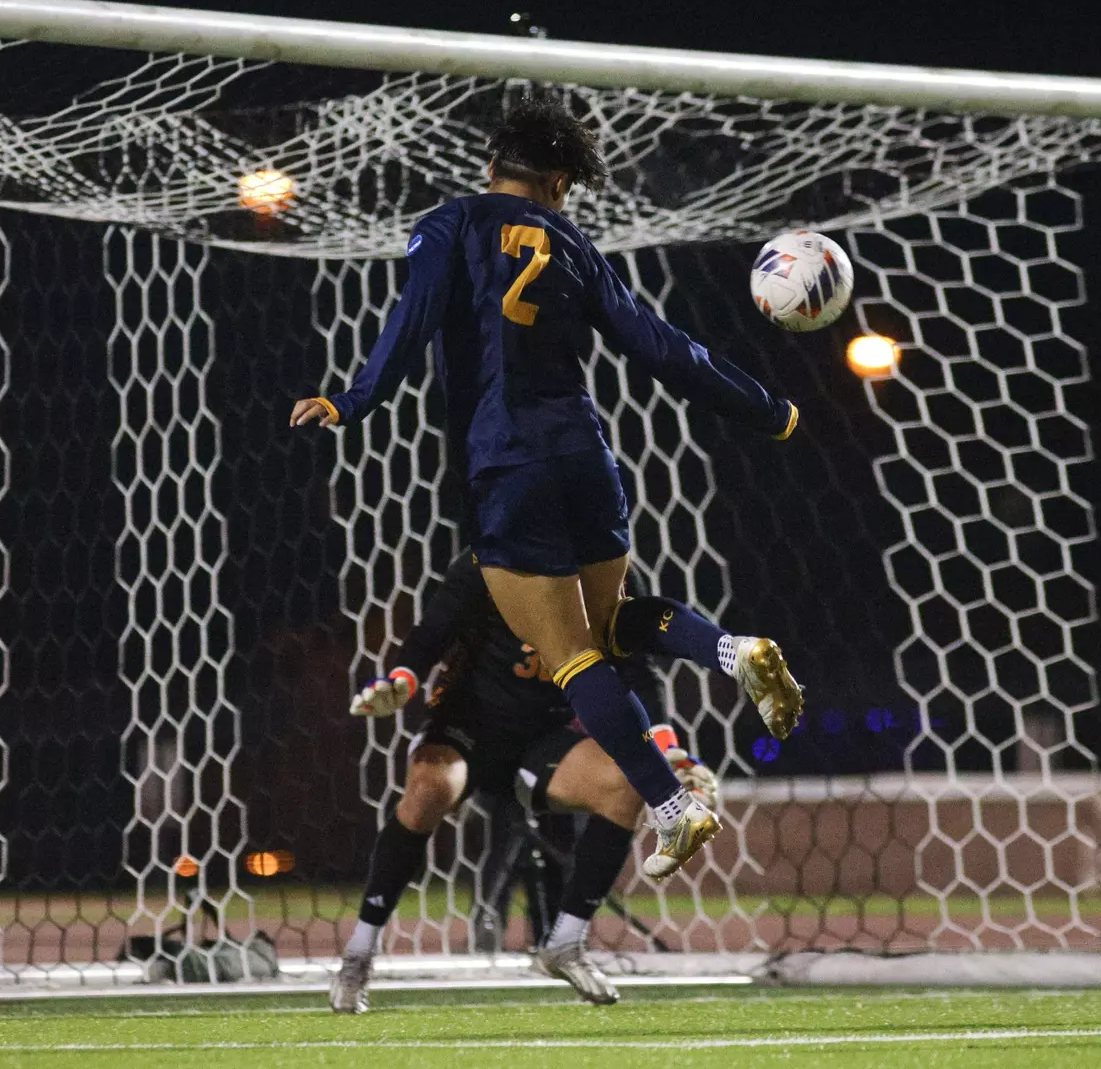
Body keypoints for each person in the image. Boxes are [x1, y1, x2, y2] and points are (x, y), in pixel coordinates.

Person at [294, 96, 803, 881]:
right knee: (606, 628)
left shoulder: (451, 222)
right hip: (586, 458)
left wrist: (354, 400)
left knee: (571, 659)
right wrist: (766, 410)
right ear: (560, 182)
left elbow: (413, 317)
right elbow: (659, 346)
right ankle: (732, 648)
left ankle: (670, 806)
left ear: (492, 166)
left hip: (508, 465)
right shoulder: (572, 243)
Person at [329, 552, 724, 1014]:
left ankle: (565, 943)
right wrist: (402, 679)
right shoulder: (485, 562)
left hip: (546, 735)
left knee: (627, 784)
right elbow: (431, 633)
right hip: (467, 725)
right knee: (428, 791)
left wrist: (669, 750)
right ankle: (359, 952)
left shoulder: (603, 565)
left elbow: (635, 668)